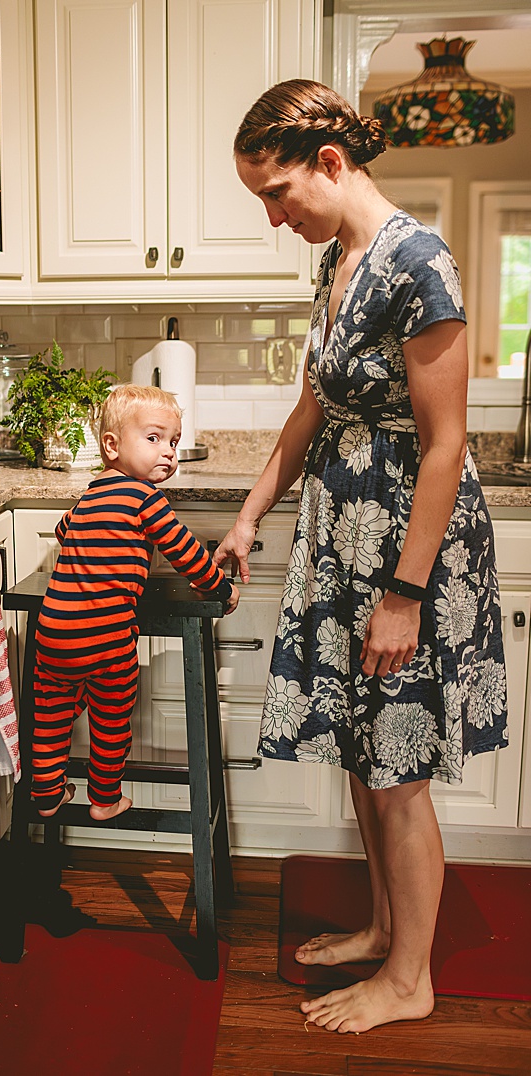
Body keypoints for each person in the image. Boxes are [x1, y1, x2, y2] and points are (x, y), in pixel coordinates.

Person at [217, 79, 507, 1035]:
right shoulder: (339, 260)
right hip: (340, 535)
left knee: (401, 762)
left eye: (277, 193)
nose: (272, 215)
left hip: (403, 548)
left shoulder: (420, 261)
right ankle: (387, 928)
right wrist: (253, 511)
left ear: (330, 165)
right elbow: (314, 406)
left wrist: (406, 594)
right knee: (362, 746)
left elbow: (445, 442)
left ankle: (410, 980)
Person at [30, 384, 239, 821]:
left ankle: (46, 793)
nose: (168, 452)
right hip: (106, 637)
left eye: (174, 442)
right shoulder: (146, 498)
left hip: (53, 632)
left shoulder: (88, 496)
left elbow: (64, 531)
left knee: (50, 716)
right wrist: (219, 587)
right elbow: (185, 552)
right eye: (154, 438)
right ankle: (105, 800)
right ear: (111, 445)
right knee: (111, 720)